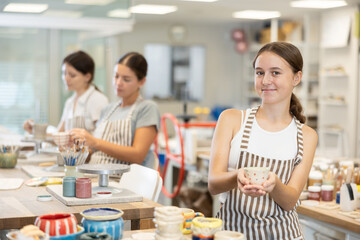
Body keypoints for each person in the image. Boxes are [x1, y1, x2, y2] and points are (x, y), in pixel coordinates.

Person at [208, 42, 318, 239]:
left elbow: (290, 202)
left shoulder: (307, 136)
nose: (266, 80)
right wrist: (236, 176)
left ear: (297, 77)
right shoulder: (232, 119)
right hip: (231, 234)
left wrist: (275, 184)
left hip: (283, 235)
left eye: (275, 73)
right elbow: (213, 184)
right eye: (259, 73)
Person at [70, 52, 160, 168]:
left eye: (126, 79)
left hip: (121, 180)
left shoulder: (146, 108)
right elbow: (96, 152)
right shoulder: (108, 110)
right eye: (116, 76)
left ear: (141, 81)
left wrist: (94, 141)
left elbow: (138, 155)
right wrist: (80, 149)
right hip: (95, 174)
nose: (118, 83)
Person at [23, 50, 109, 134]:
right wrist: (36, 131)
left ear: (87, 77)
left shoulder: (98, 100)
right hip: (71, 149)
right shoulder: (70, 102)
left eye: (72, 75)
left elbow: (102, 139)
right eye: (64, 73)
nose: (66, 79)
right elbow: (59, 135)